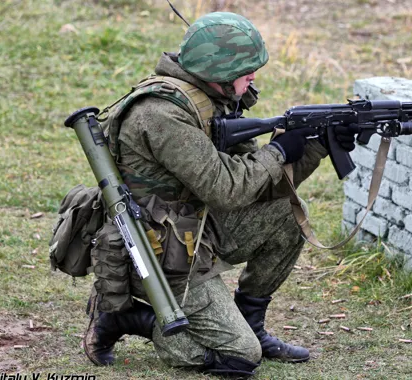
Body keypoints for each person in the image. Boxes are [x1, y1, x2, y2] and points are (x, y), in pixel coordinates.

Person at [82, 11, 357, 377]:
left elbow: (258, 185)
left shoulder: (211, 99)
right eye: (246, 72)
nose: (254, 77)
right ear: (218, 72)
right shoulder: (161, 113)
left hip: (195, 228)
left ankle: (251, 323)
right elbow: (227, 189)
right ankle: (124, 318)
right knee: (241, 358)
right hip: (157, 253)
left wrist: (315, 147)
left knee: (288, 213)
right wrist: (277, 151)